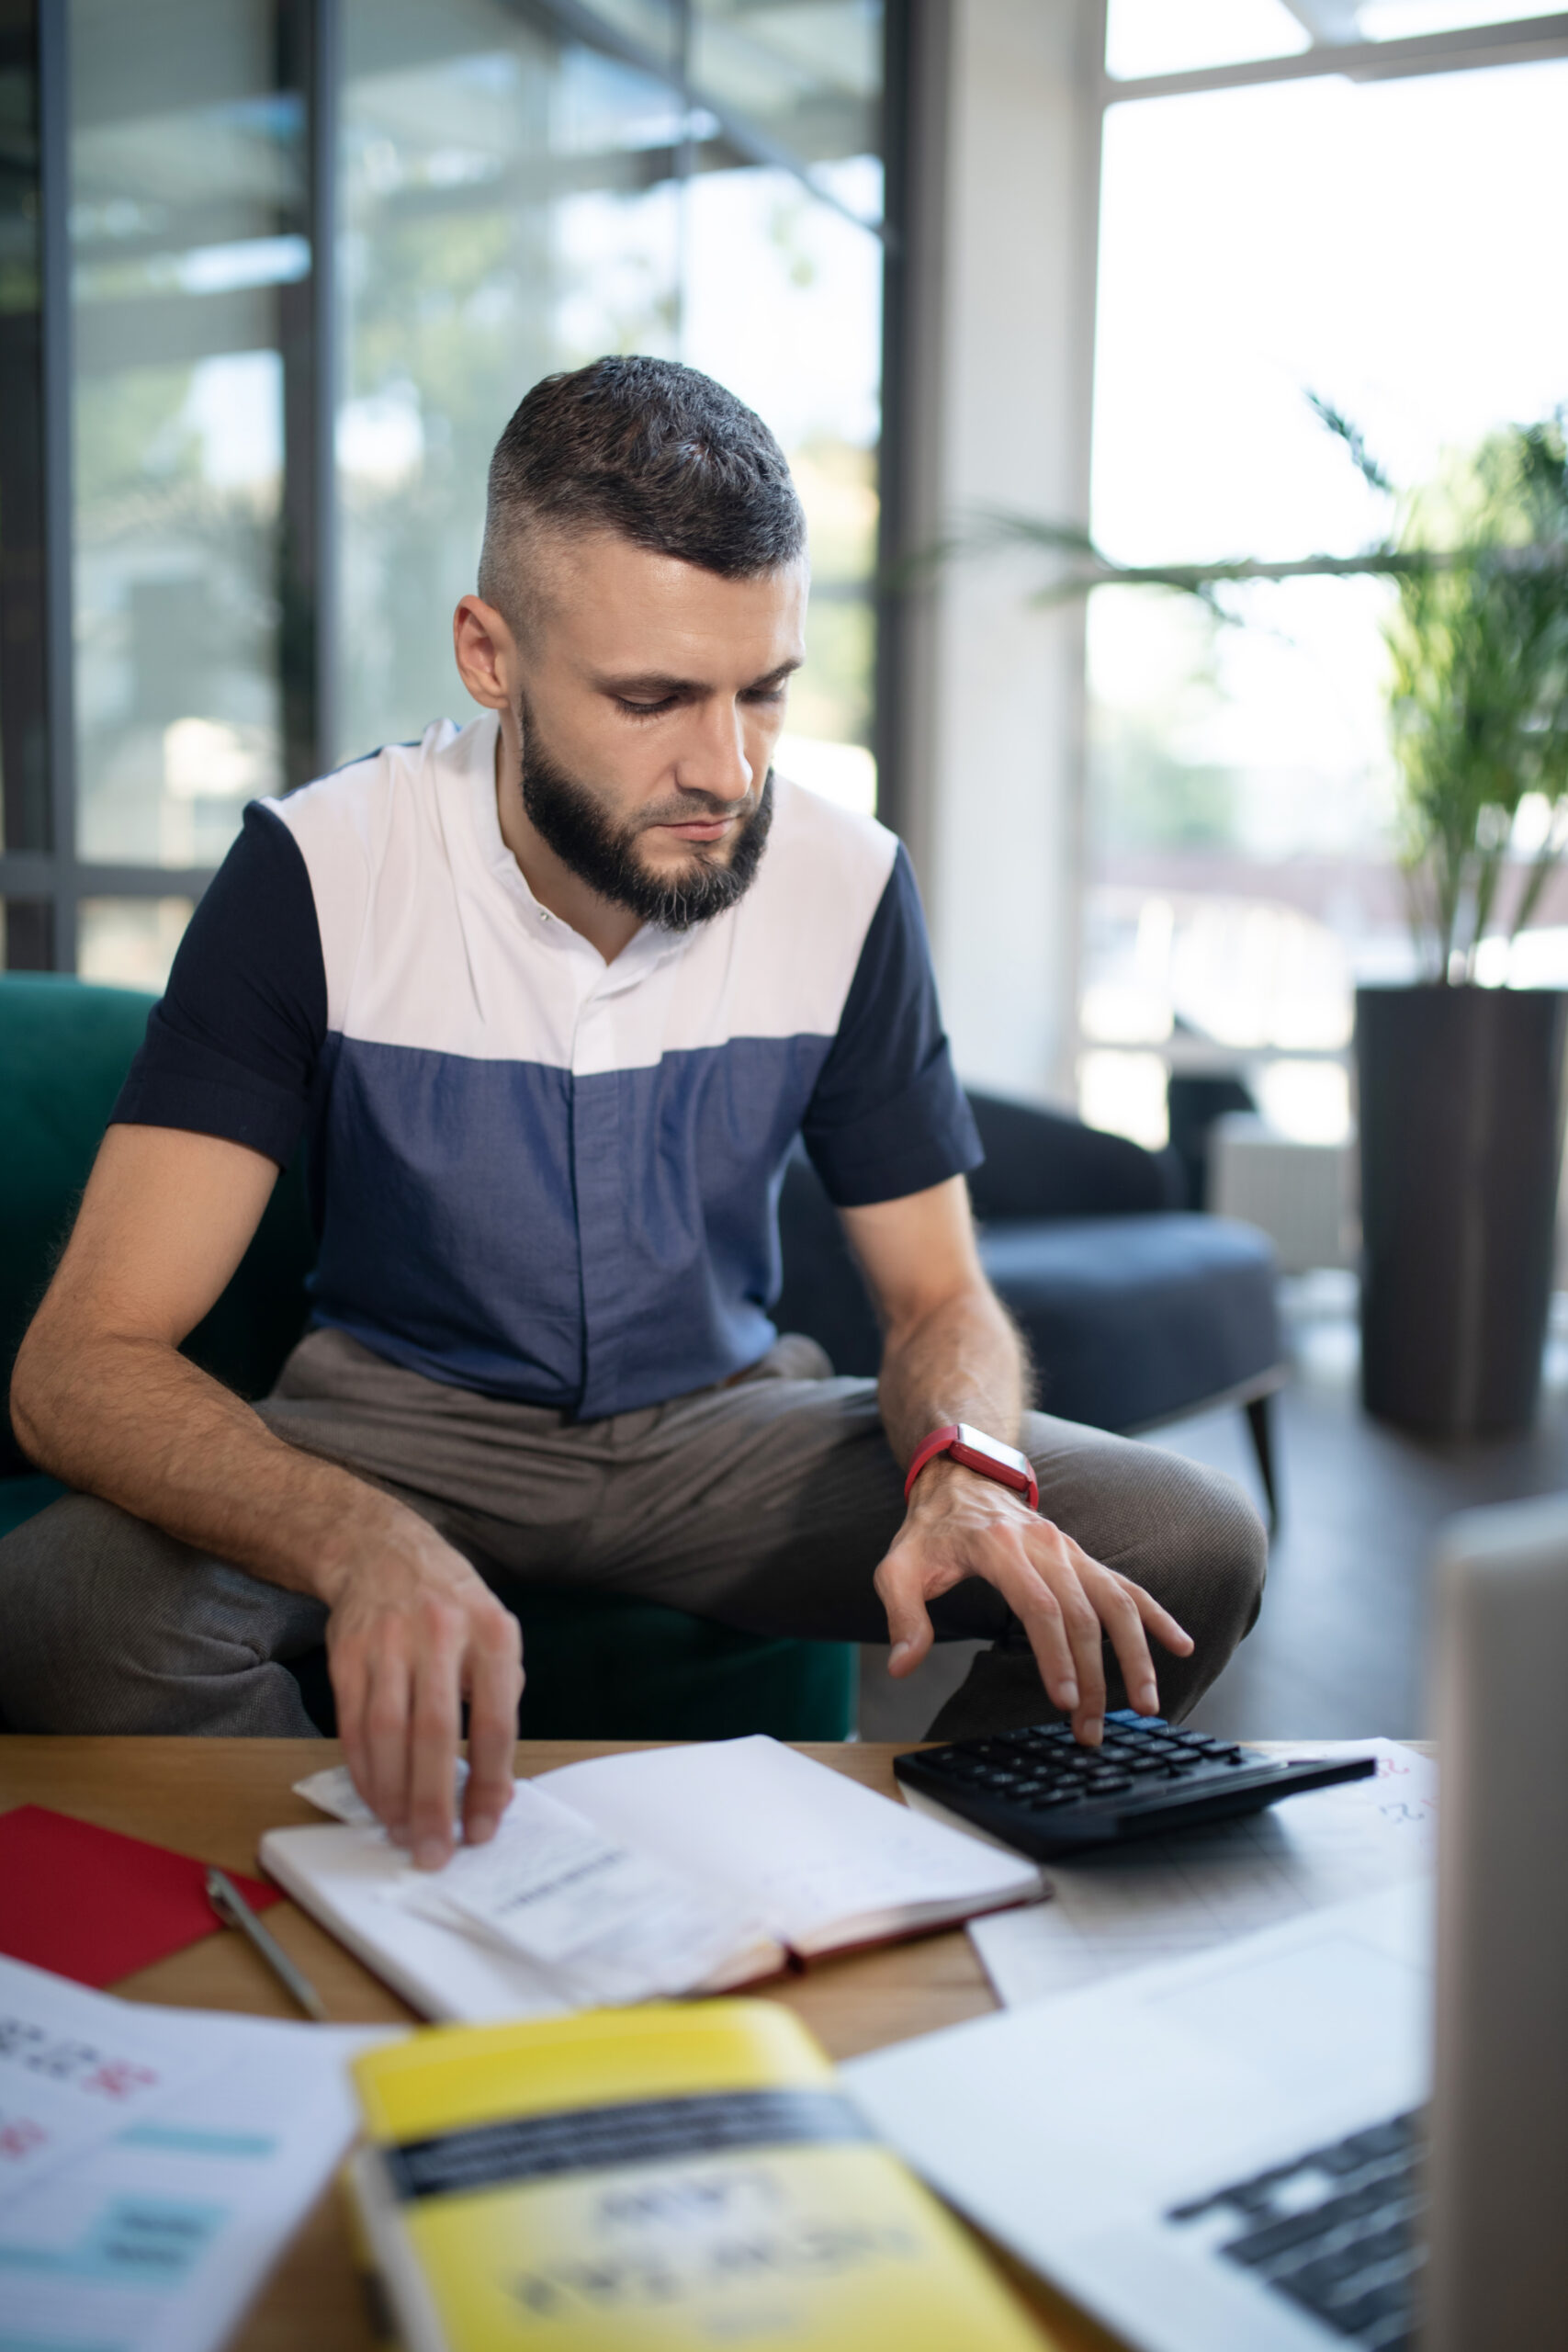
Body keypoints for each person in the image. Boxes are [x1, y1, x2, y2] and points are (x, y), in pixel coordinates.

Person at [0, 357, 1265, 1869]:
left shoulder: (848, 882)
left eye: (764, 692)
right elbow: (79, 1367)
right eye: (652, 698)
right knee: (65, 1615)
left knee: (1189, 1539)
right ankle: (386, 1915)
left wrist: (969, 1473)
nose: (725, 769)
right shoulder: (318, 872)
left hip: (723, 1436)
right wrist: (362, 1540)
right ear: (490, 653)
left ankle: (928, 1879)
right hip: (396, 1431)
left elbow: (940, 1295)